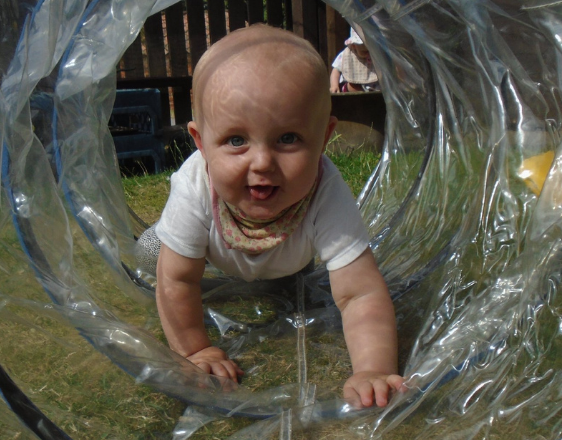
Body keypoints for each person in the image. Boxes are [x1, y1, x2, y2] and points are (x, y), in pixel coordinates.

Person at [152, 24, 403, 409]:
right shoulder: (194, 185)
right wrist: (195, 350)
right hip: (214, 253)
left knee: (308, 276)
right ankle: (154, 239)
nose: (263, 162)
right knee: (160, 253)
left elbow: (360, 292)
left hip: (289, 262)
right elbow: (177, 279)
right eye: (236, 140)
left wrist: (372, 368)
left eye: (288, 138)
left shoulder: (325, 190)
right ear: (201, 143)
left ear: (323, 138)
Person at [330, 28, 379, 93]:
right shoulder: (347, 54)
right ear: (354, 46)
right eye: (365, 52)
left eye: (371, 51)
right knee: (352, 87)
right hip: (354, 85)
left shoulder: (376, 54)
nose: (368, 54)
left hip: (374, 86)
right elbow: (336, 70)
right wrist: (334, 85)